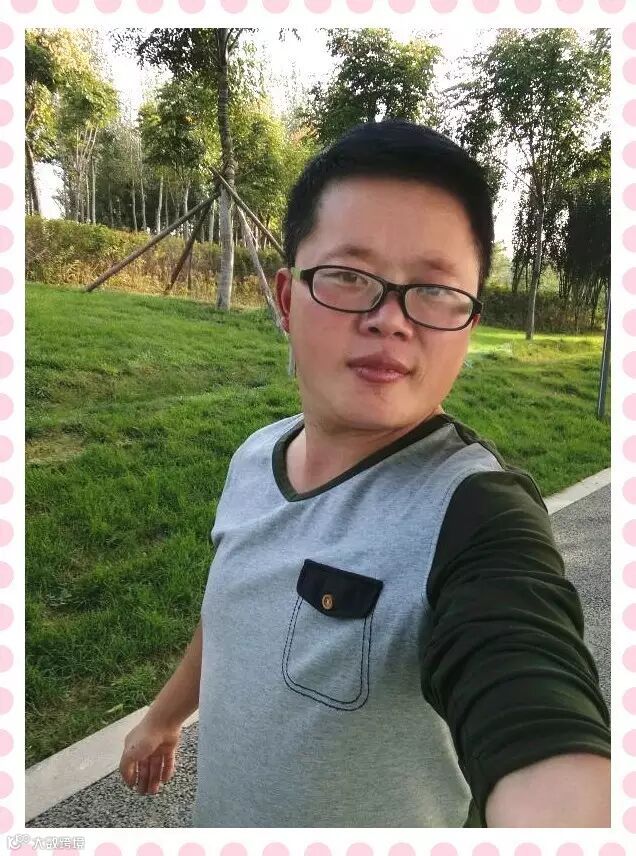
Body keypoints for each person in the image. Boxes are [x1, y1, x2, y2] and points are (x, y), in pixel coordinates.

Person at [119, 120, 610, 828]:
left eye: (434, 289)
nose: (391, 320)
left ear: (469, 326)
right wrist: (163, 717)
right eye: (349, 277)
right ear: (287, 299)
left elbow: (531, 689)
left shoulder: (476, 513)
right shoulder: (255, 456)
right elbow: (233, 609)